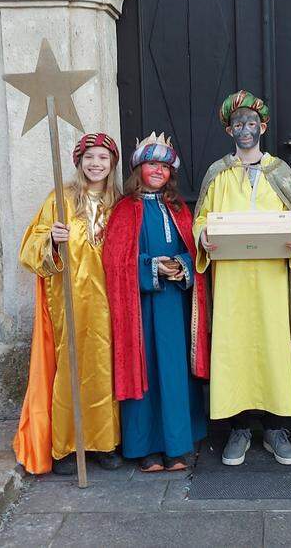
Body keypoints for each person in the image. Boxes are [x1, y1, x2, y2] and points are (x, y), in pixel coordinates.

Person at [193, 90, 291, 466]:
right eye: (238, 124)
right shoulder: (218, 173)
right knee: (236, 349)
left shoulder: (280, 172)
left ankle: (276, 428)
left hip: (272, 280)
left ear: (263, 126)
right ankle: (239, 429)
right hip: (232, 282)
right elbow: (201, 218)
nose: (246, 129)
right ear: (230, 129)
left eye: (251, 123)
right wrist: (202, 236)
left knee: (273, 348)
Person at [12, 133, 124, 476]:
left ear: (112, 164)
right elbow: (29, 249)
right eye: (90, 157)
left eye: (103, 158)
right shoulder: (59, 200)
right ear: (79, 162)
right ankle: (67, 444)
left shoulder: (118, 202)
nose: (96, 164)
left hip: (108, 301)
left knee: (104, 369)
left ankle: (104, 443)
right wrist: (51, 240)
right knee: (70, 369)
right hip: (69, 301)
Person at [103, 133, 210, 472]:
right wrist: (150, 266)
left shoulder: (179, 209)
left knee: (175, 371)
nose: (158, 171)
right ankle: (145, 447)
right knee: (145, 368)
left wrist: (182, 265)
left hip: (175, 307)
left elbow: (196, 252)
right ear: (138, 168)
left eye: (164, 166)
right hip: (140, 309)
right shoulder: (124, 209)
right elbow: (115, 261)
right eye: (152, 164)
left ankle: (177, 446)